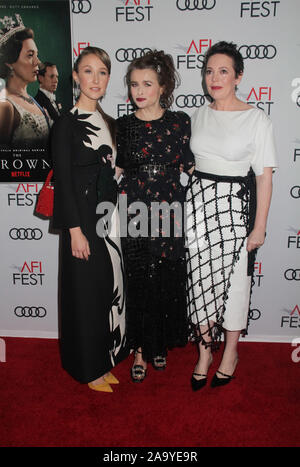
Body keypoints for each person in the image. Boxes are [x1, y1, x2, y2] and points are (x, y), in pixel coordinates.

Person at [186, 41, 277, 390]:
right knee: (200, 282)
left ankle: (230, 353)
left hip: (235, 210)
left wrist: (260, 227)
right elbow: (195, 161)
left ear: (239, 76)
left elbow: (264, 176)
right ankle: (205, 352)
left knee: (235, 284)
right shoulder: (199, 115)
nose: (214, 77)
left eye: (223, 71)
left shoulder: (257, 119)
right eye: (209, 71)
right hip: (198, 208)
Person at [116, 50, 194, 382]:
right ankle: (139, 350)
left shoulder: (180, 122)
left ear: (163, 86)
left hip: (169, 207)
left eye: (147, 83)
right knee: (137, 279)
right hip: (134, 207)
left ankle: (158, 343)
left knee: (164, 277)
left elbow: (191, 164)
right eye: (134, 84)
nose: (139, 91)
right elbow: (116, 169)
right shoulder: (122, 125)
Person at [51, 46, 127, 392]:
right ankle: (86, 368)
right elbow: (64, 181)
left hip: (107, 220)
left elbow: (108, 170)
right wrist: (75, 232)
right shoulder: (65, 124)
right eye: (88, 71)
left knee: (103, 290)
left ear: (108, 78)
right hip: (80, 221)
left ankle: (103, 357)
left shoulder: (109, 122)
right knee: (82, 293)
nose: (95, 79)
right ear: (76, 76)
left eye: (102, 72)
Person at [0, 14, 49, 148]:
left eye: (37, 55)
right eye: (30, 55)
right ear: (10, 62)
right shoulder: (5, 106)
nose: (37, 62)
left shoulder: (34, 101)